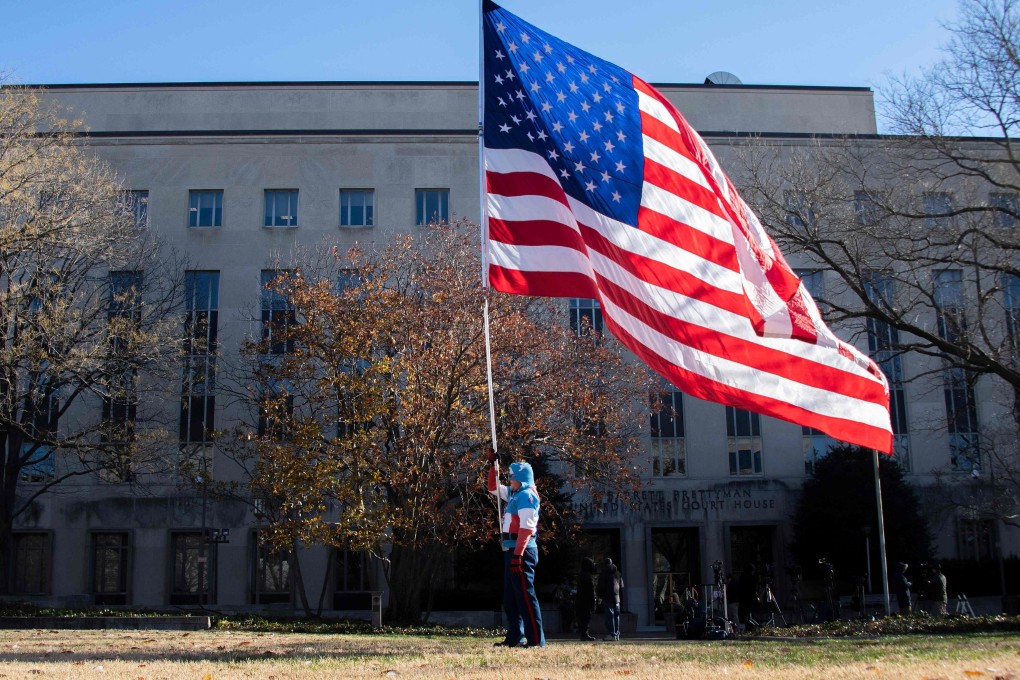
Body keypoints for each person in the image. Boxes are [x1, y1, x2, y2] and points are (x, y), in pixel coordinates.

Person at [487, 450, 546, 648]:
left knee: (525, 596)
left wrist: (518, 556)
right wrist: (492, 465)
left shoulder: (527, 496)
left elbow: (527, 528)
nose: (509, 481)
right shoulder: (514, 493)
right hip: (511, 549)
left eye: (512, 478)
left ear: (521, 479)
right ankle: (515, 636)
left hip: (522, 551)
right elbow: (493, 487)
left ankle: (536, 640)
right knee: (511, 598)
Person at [596, 557, 624, 641]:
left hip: (607, 598)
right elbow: (622, 586)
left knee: (609, 616)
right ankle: (617, 634)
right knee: (616, 616)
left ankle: (611, 634)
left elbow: (600, 587)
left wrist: (600, 596)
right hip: (617, 598)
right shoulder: (618, 573)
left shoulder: (603, 573)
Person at [574, 557, 598, 641]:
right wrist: (593, 601)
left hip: (581, 600)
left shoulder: (581, 575)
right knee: (586, 617)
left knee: (583, 618)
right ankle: (585, 634)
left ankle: (584, 634)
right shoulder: (587, 576)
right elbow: (590, 590)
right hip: (586, 600)